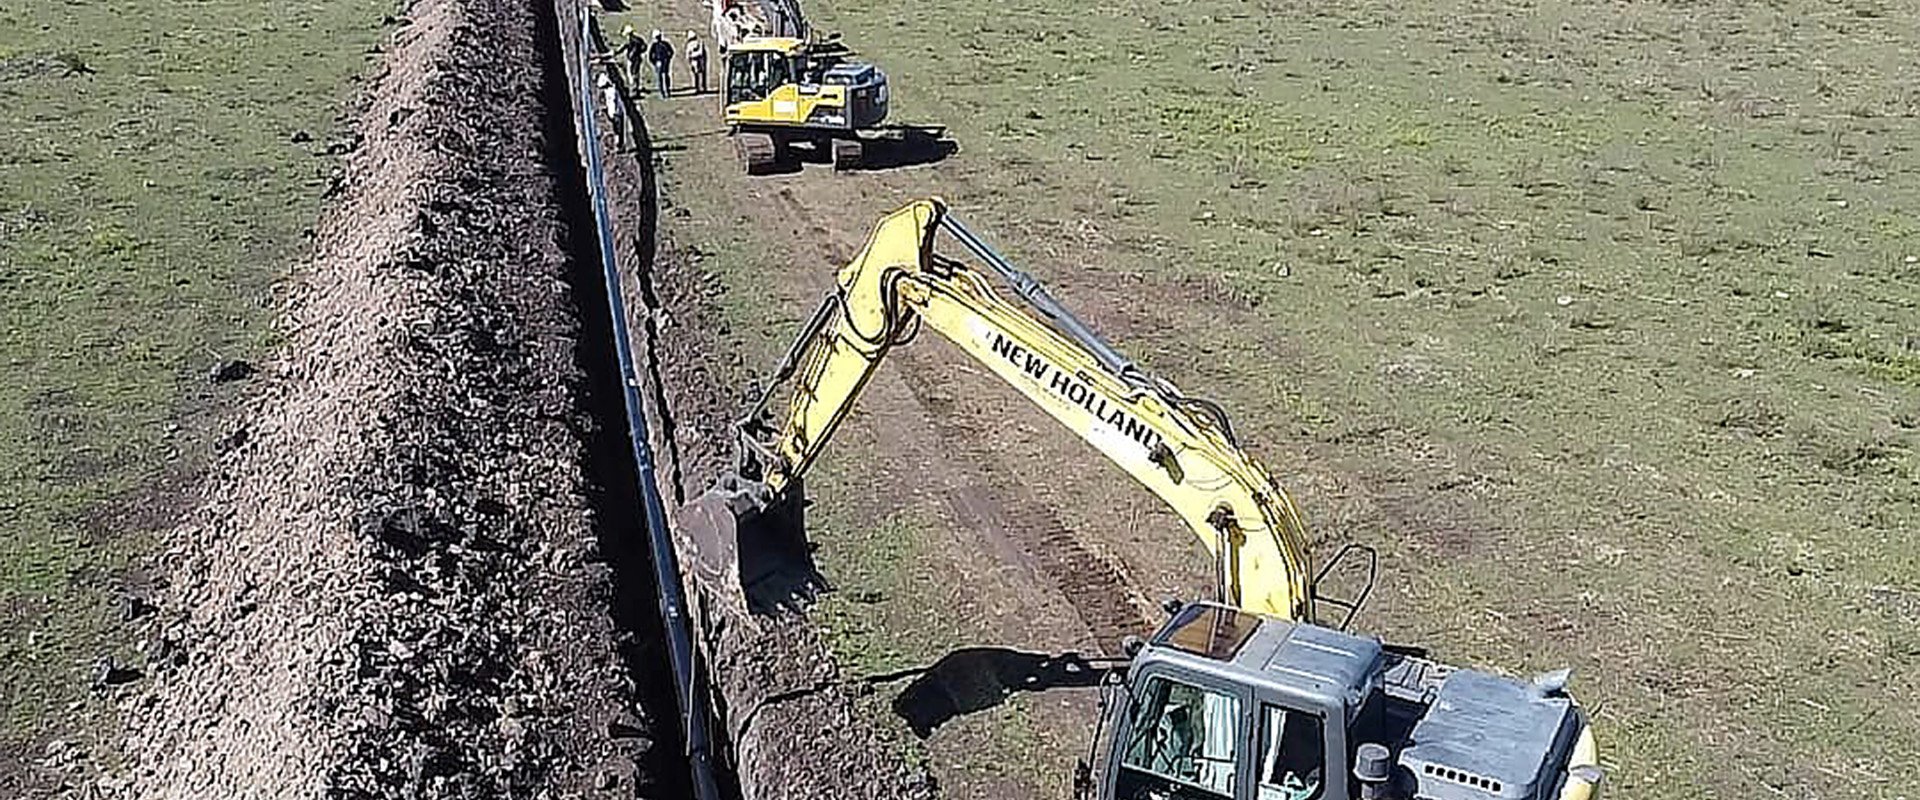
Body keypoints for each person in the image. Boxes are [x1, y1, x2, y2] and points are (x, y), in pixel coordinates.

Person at [596, 68, 625, 149]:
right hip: (614, 113)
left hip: (615, 113)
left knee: (618, 130)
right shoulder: (610, 89)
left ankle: (619, 145)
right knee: (618, 130)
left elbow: (613, 103)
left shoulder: (611, 91)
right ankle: (619, 145)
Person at [617, 25, 646, 93]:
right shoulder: (638, 39)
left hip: (632, 59)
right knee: (636, 72)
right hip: (638, 58)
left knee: (631, 73)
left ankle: (634, 87)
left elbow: (624, 47)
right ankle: (637, 86)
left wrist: (617, 52)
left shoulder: (631, 41)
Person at [647, 29, 675, 97]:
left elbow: (671, 52)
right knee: (662, 77)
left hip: (661, 62)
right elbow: (671, 52)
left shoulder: (657, 45)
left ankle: (665, 91)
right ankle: (665, 91)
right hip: (661, 62)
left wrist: (655, 62)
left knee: (663, 77)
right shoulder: (661, 44)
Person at [685, 31, 708, 95]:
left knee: (699, 74)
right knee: (697, 75)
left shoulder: (699, 43)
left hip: (699, 60)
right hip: (695, 61)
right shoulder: (691, 44)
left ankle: (701, 87)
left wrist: (691, 57)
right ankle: (698, 87)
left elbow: (700, 52)